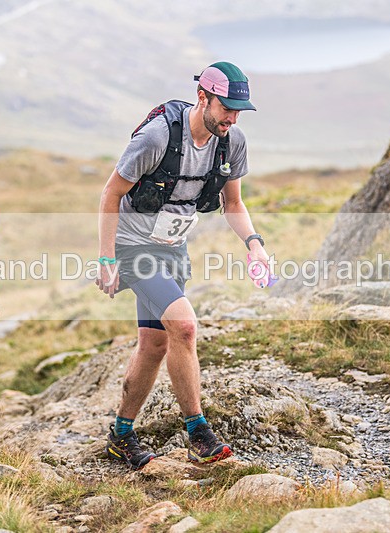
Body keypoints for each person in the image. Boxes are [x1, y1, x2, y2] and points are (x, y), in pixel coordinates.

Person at [96, 62, 271, 469]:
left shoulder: (231, 142)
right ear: (202, 97)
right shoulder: (157, 137)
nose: (232, 118)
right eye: (226, 108)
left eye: (238, 111)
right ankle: (199, 433)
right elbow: (111, 194)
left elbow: (233, 203)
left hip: (172, 248)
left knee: (155, 344)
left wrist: (255, 245)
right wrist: (106, 258)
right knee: (185, 326)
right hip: (133, 247)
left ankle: (121, 435)